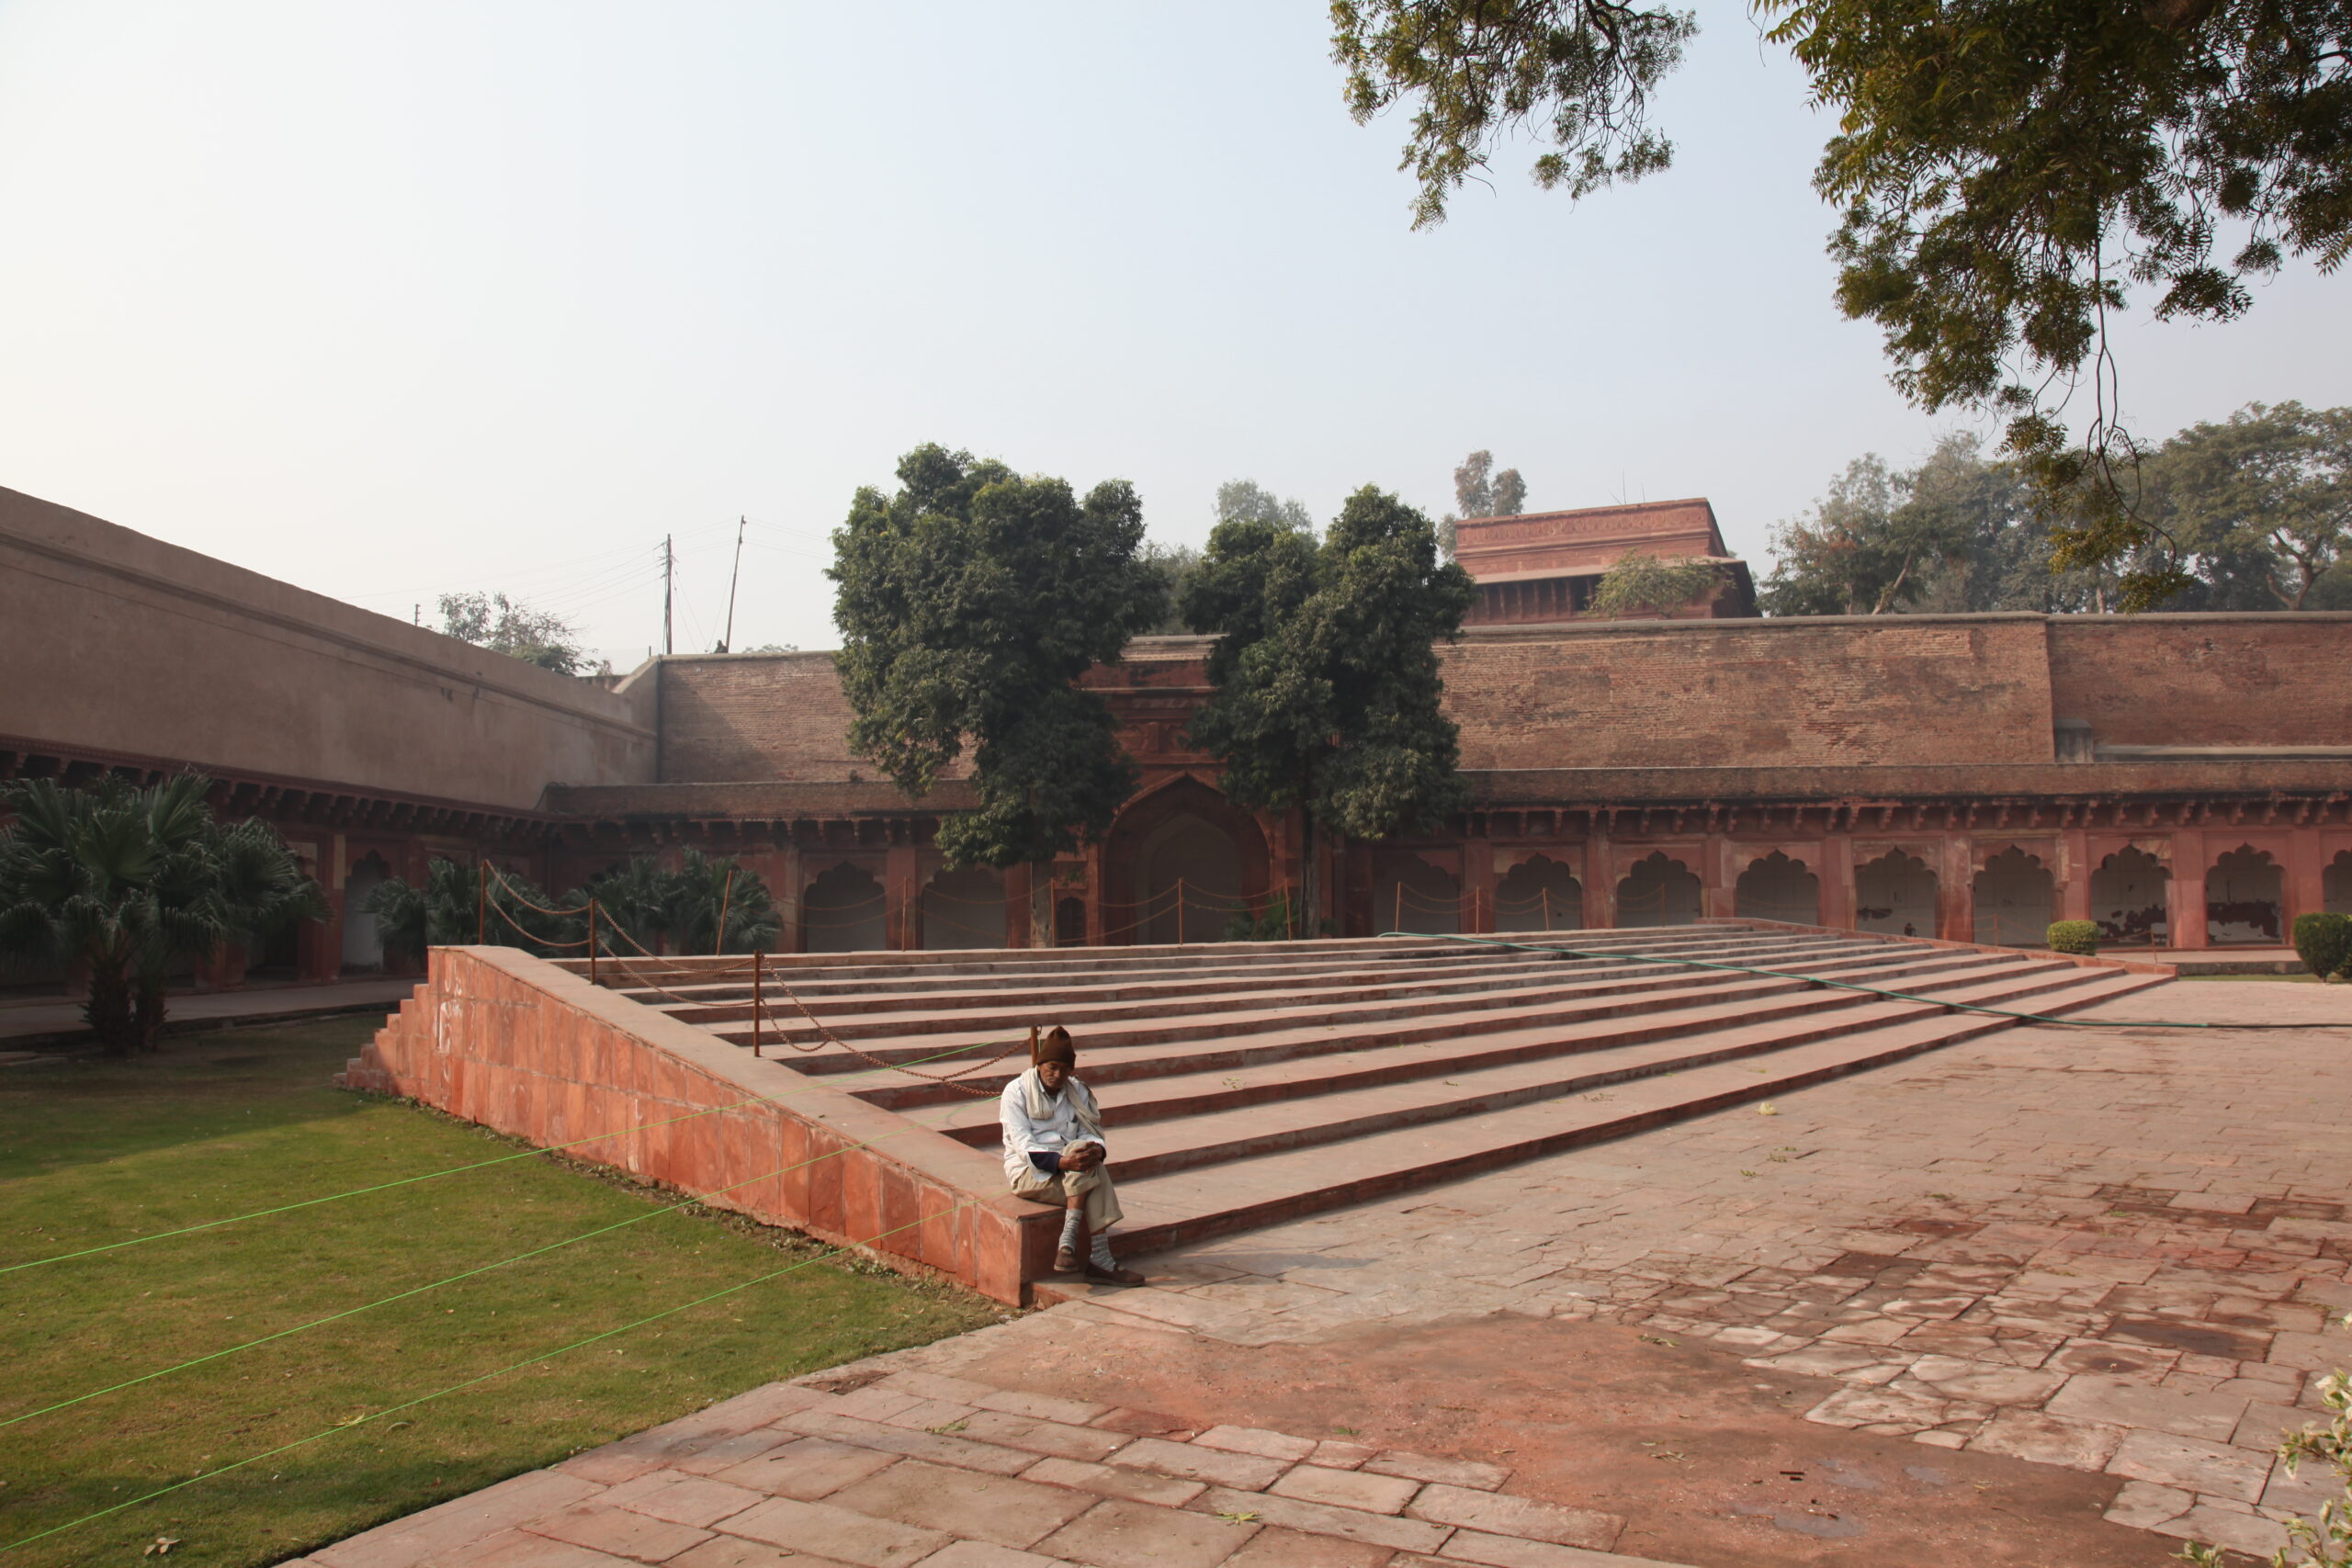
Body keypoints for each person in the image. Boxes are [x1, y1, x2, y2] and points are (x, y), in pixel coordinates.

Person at [1001, 1025, 1144, 1284]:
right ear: (1040, 1064)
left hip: (1074, 1168)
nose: (1057, 1075)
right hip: (1031, 1174)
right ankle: (1096, 1257)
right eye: (1052, 1067)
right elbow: (1022, 1145)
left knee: (1087, 1156)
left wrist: (1094, 1150)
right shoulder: (1016, 1091)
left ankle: (1069, 1247)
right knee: (1092, 1172)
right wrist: (1062, 1162)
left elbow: (1092, 1131)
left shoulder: (1077, 1090)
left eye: (1064, 1070)